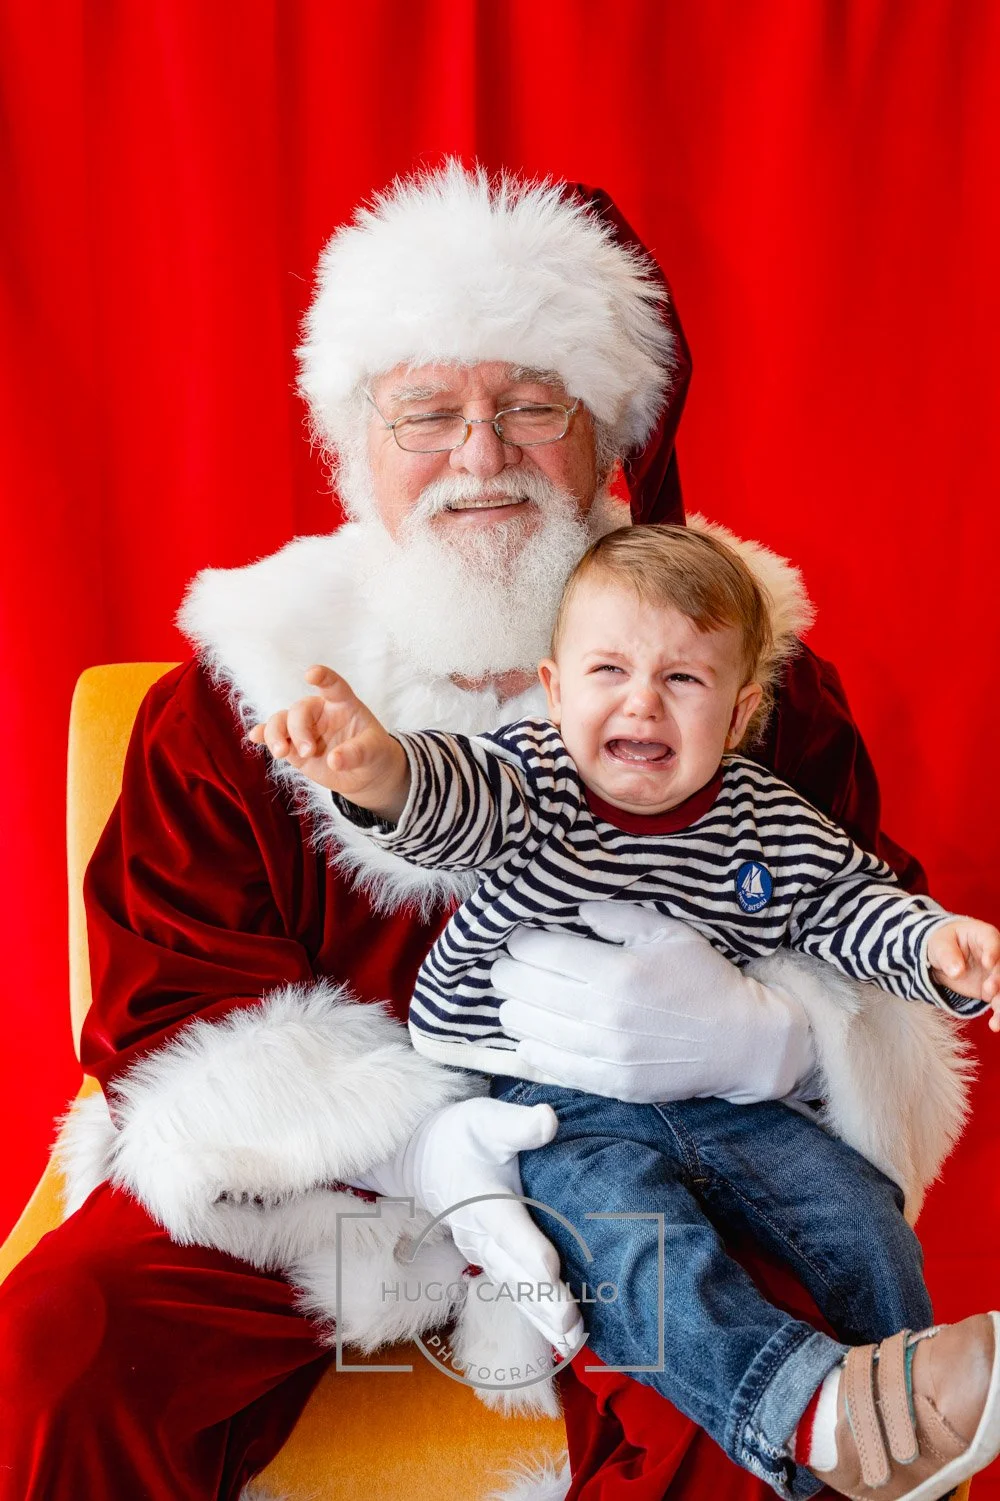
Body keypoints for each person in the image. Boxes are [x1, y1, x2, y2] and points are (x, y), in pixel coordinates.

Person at [0, 164, 972, 1501]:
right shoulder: (242, 695)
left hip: (653, 1185)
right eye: (428, 412)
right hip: (328, 1209)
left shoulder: (748, 676)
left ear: (605, 429)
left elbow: (869, 934)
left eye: (530, 406)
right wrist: (414, 1143)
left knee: (798, 1380)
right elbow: (170, 1009)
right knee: (61, 1343)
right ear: (356, 442)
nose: (480, 456)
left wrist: (767, 1036)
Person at [254, 520, 1000, 1501]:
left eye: (682, 680)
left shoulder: (764, 818)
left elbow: (844, 904)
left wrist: (934, 947)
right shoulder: (533, 783)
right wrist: (377, 769)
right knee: (637, 1248)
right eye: (608, 669)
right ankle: (805, 1412)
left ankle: (910, 1431)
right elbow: (453, 800)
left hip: (719, 1093)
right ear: (556, 690)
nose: (641, 700)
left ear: (736, 715)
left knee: (859, 1211)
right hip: (547, 1098)